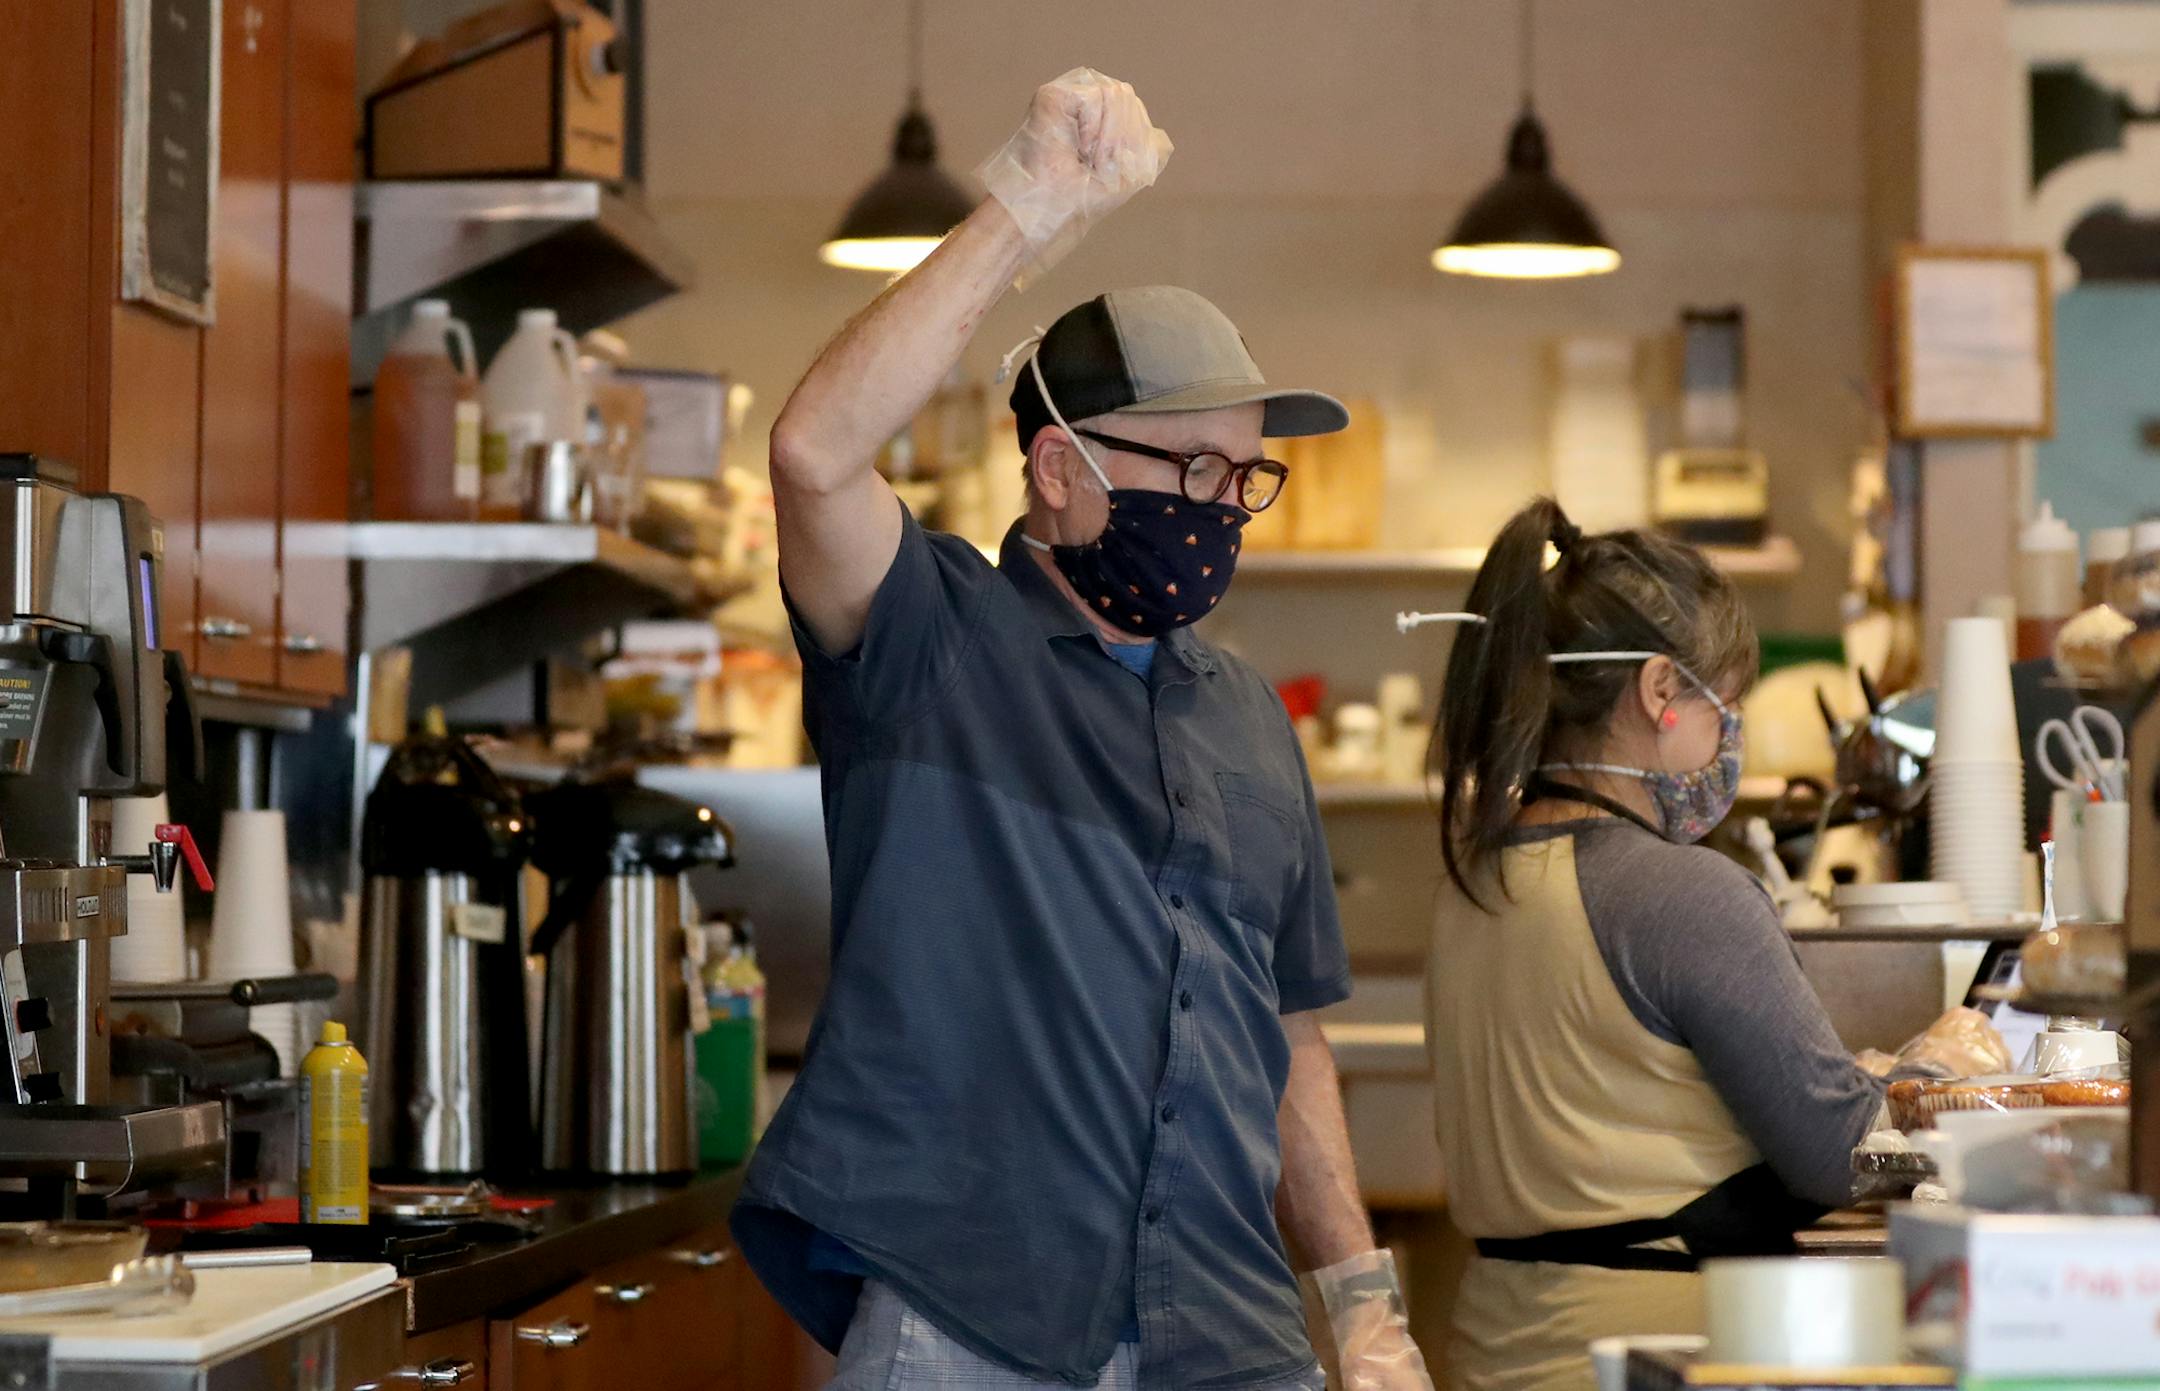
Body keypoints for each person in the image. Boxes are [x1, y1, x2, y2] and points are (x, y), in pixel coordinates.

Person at [731, 69, 1434, 1391]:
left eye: (1245, 479)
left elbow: (1285, 1030)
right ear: (1060, 467)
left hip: (1229, 1332)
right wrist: (1032, 204)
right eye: (1193, 473)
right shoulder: (928, 641)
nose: (1224, 510)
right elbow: (816, 452)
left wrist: (1360, 1300)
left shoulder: (1242, 714)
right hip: (971, 1324)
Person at [1413, 498, 1998, 1391]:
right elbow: (1835, 1151)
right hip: (1659, 1352)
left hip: (1499, 1350)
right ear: (1660, 691)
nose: (1733, 736)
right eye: (1726, 704)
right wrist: (1929, 1081)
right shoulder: (1683, 892)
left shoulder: (1474, 880)